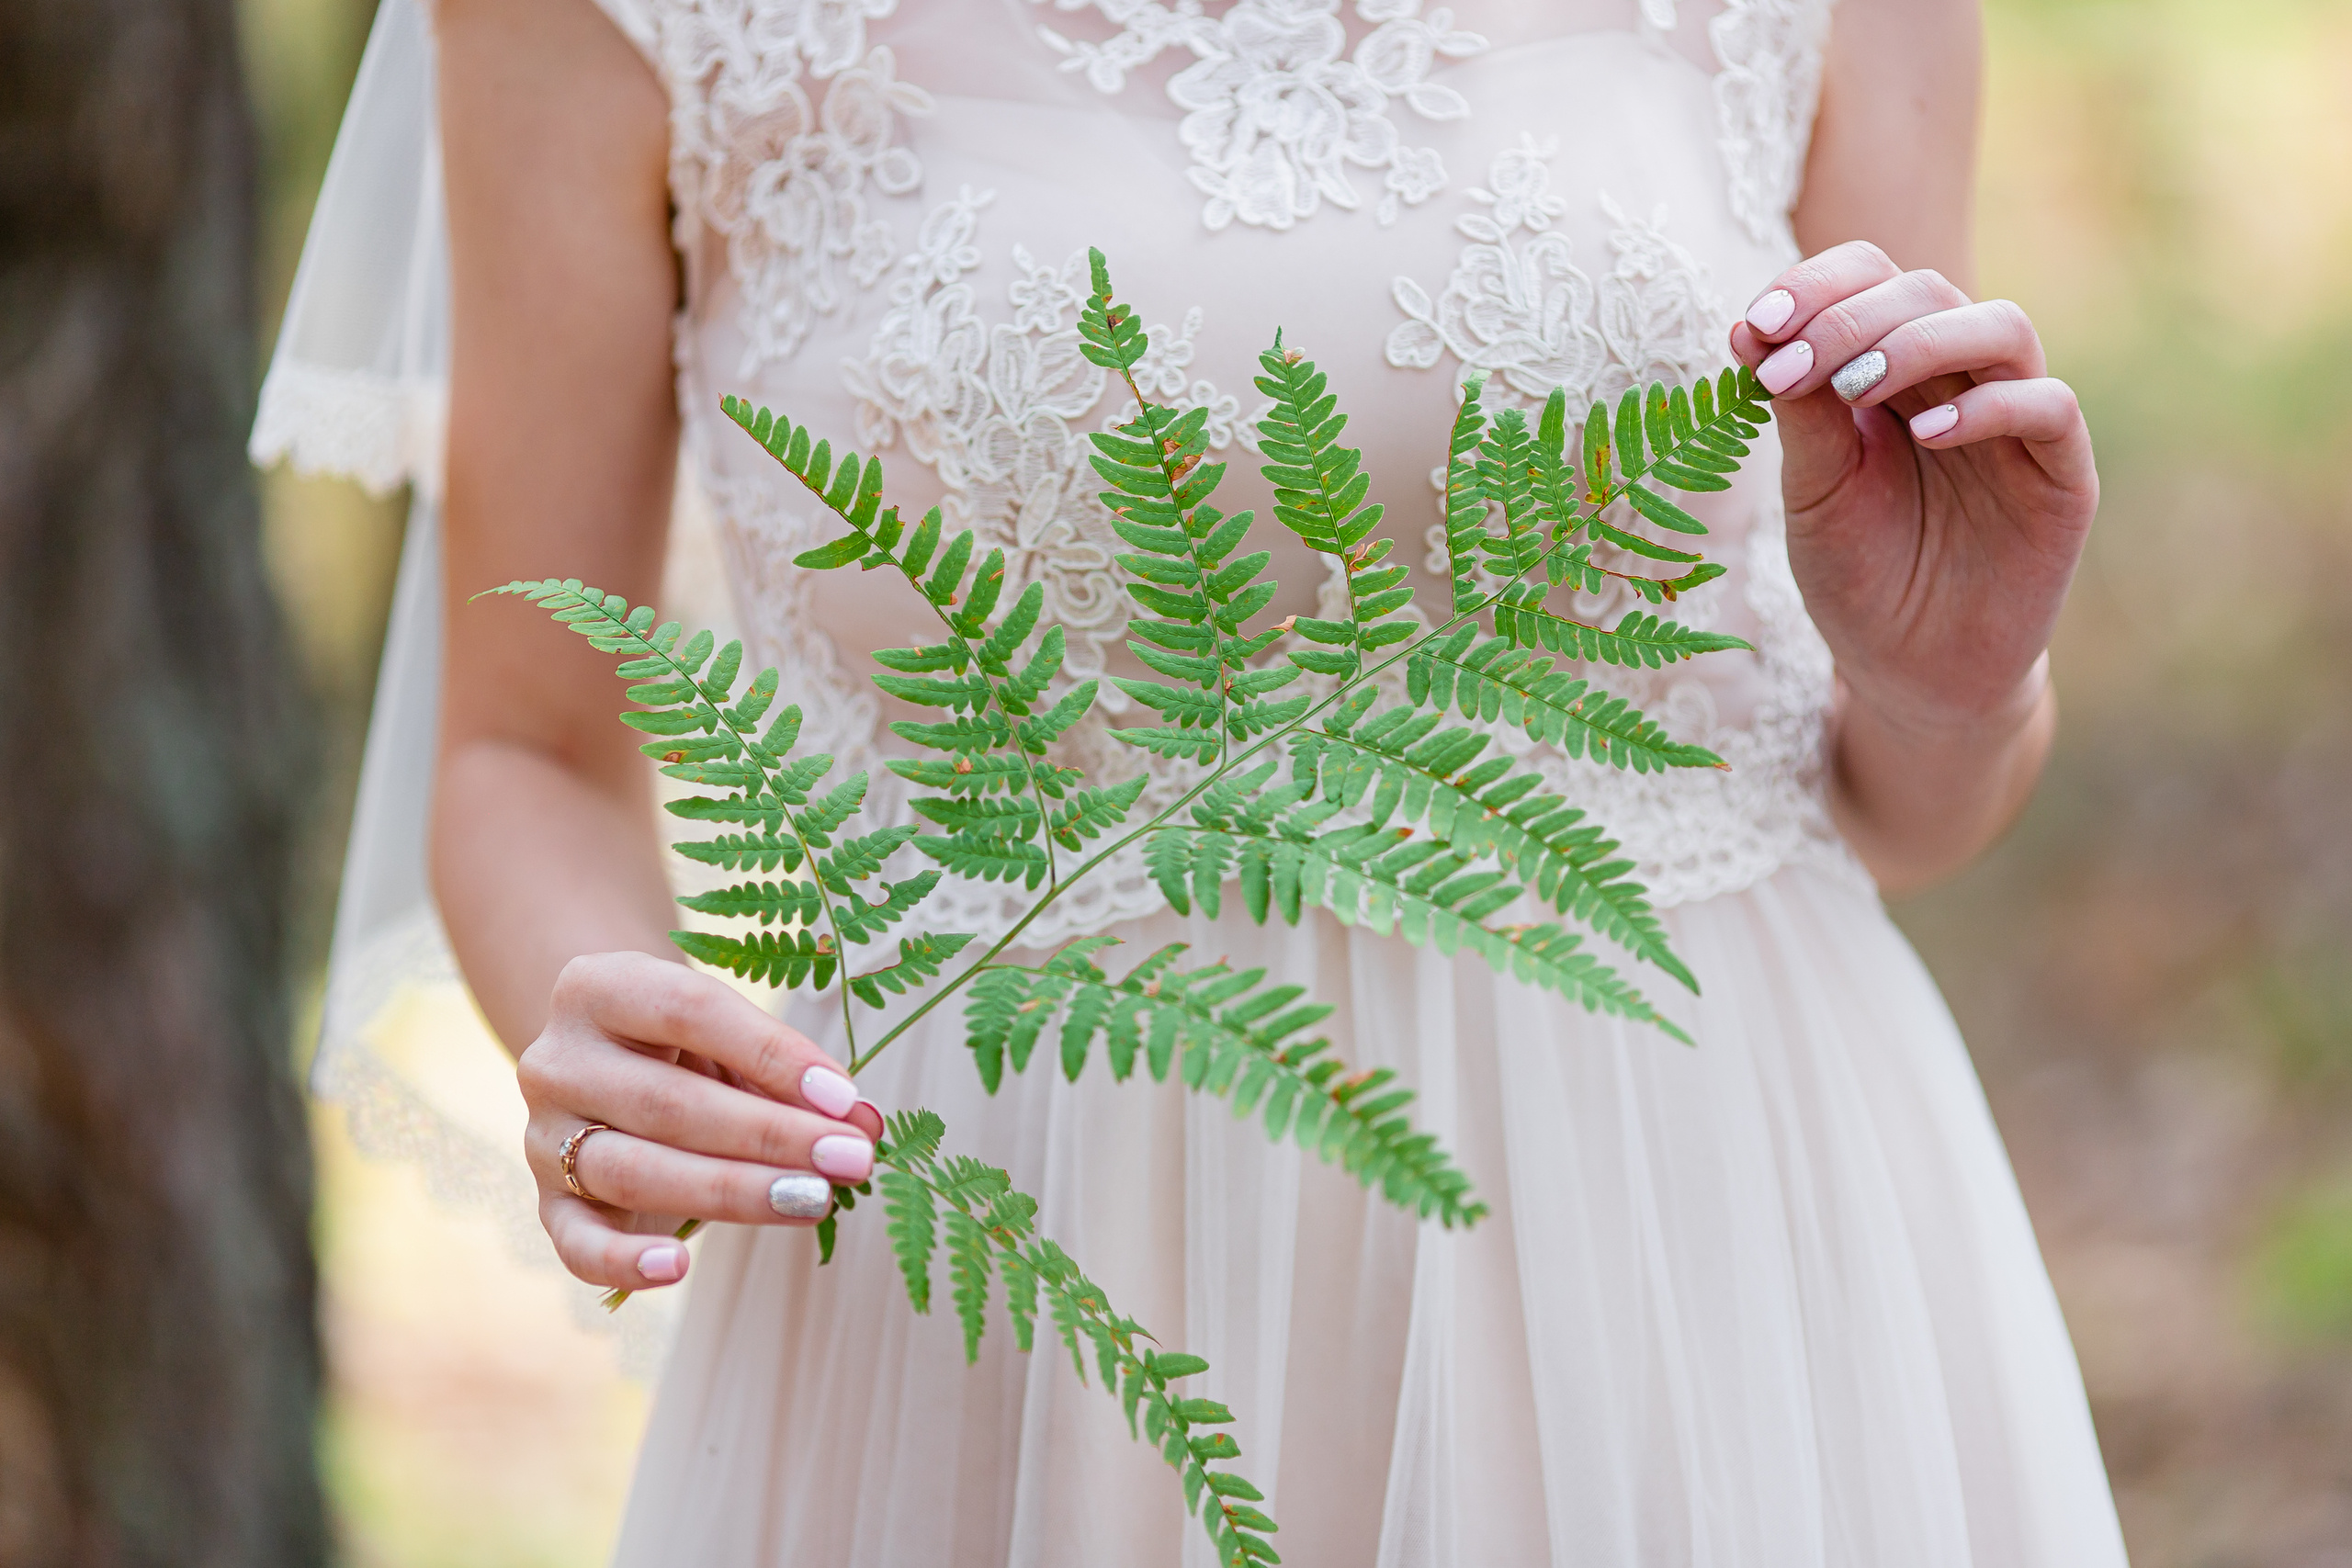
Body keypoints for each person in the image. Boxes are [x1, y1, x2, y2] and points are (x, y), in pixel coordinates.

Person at [264, 0, 2127, 1561]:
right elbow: (522, 749)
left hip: (1675, 1238)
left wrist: (1942, 682)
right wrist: (611, 1037)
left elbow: (1901, 799)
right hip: (996, 1266)